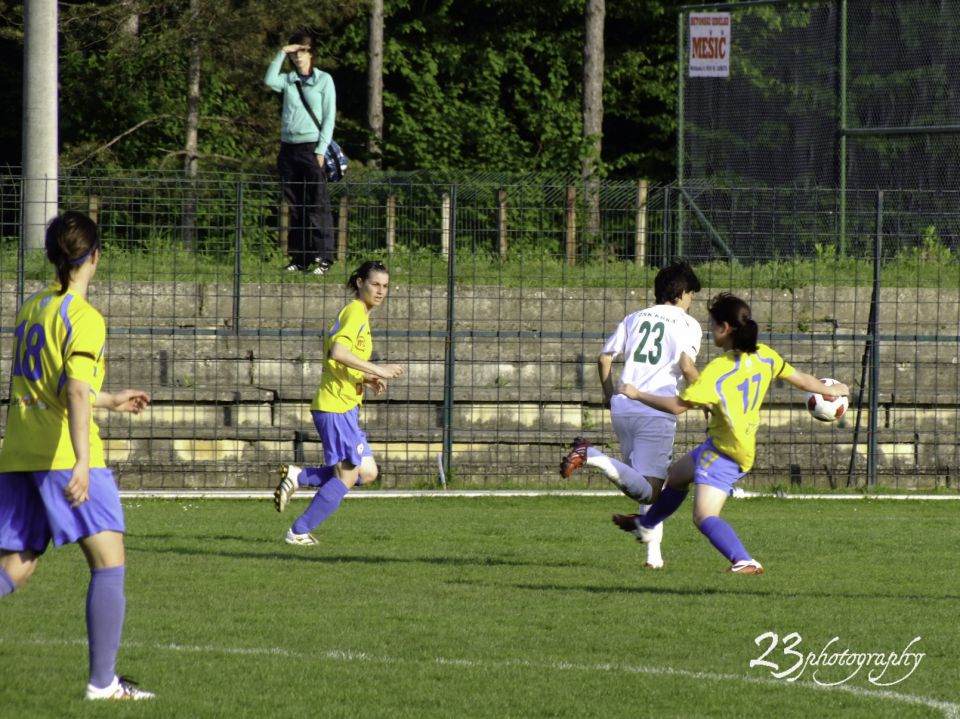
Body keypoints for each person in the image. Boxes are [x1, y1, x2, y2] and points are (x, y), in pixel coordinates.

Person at [0, 212, 154, 700]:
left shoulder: (32, 307)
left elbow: (55, 388)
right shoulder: (84, 317)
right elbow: (74, 392)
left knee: (18, 564)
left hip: (19, 451)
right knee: (109, 561)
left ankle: (104, 683)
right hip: (63, 453)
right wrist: (85, 462)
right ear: (95, 257)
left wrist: (110, 400)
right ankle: (103, 684)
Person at [615, 292, 850, 574]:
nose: (710, 329)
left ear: (724, 328)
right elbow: (801, 380)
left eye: (712, 324)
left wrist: (637, 393)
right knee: (675, 477)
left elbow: (677, 406)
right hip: (732, 443)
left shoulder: (719, 370)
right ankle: (647, 524)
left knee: (703, 516)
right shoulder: (765, 356)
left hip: (725, 452)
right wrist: (831, 390)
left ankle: (743, 559)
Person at [560, 259, 703, 569]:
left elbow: (604, 358)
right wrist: (710, 398)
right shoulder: (688, 324)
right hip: (655, 410)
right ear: (681, 293)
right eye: (692, 294)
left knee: (646, 480)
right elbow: (687, 366)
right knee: (653, 492)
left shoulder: (634, 318)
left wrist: (610, 395)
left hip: (623, 407)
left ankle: (654, 558)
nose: (693, 301)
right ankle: (592, 455)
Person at [274, 261, 403, 544]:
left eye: (385, 286)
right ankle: (298, 532)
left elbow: (339, 361)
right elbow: (338, 351)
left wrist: (365, 378)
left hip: (344, 406)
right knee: (346, 477)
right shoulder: (355, 312)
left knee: (367, 472)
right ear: (360, 283)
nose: (380, 291)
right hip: (335, 407)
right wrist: (377, 369)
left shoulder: (359, 314)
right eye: (375, 284)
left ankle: (299, 476)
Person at [264, 30, 336, 275]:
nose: (298, 57)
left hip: (312, 148)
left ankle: (324, 257)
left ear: (311, 53)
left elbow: (329, 117)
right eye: (294, 52)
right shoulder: (288, 80)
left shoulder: (324, 80)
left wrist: (321, 149)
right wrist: (281, 53)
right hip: (288, 148)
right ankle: (300, 258)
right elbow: (269, 80)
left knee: (317, 202)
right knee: (295, 205)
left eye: (302, 51)